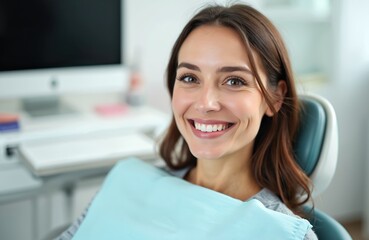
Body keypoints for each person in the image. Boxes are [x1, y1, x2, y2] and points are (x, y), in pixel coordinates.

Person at [58, 3, 317, 239]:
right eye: (190, 78)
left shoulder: (281, 232)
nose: (205, 103)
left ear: (274, 98)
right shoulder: (127, 182)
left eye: (234, 81)